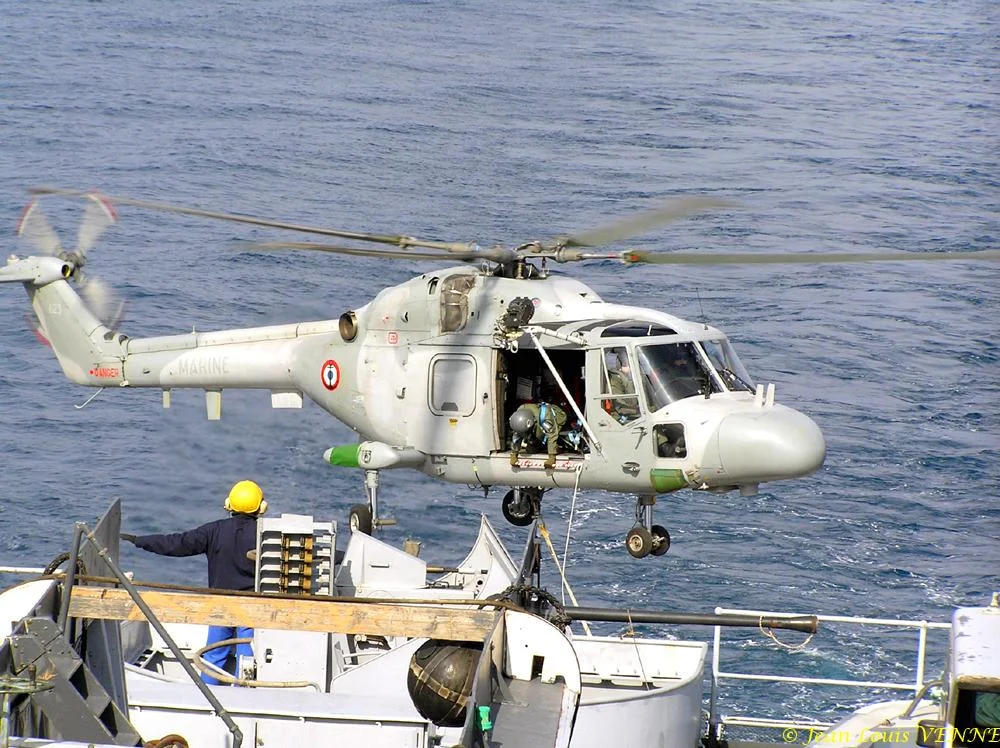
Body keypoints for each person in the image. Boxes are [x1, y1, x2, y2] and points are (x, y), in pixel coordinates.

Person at [121, 480, 267, 685]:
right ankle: (244, 694)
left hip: (220, 606)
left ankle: (207, 698)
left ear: (229, 505)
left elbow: (177, 544)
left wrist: (140, 541)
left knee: (213, 657)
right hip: (252, 607)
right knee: (247, 657)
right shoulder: (265, 535)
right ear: (261, 507)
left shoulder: (214, 531)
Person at [509, 402, 566, 469]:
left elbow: (552, 435)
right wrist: (514, 454)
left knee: (550, 439)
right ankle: (544, 447)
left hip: (556, 419)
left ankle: (557, 448)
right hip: (536, 424)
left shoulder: (545, 416)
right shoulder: (519, 416)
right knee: (531, 450)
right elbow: (517, 435)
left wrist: (551, 458)